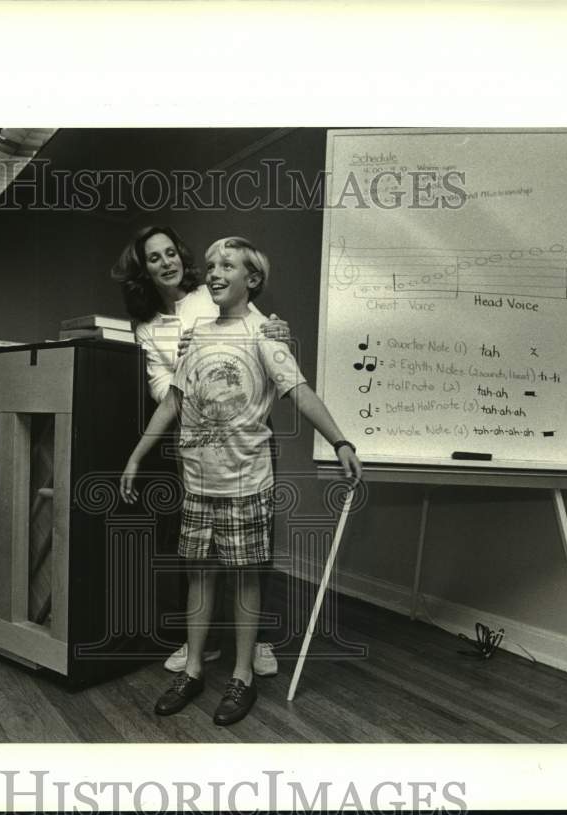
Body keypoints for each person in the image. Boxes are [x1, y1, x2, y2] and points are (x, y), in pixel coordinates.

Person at [119, 236, 362, 726]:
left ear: (251, 279)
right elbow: (173, 402)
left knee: (247, 578)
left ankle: (242, 674)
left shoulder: (265, 335)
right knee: (200, 576)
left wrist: (340, 442)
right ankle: (191, 669)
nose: (212, 272)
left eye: (226, 265)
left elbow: (299, 392)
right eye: (209, 265)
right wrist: (136, 457)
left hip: (245, 483)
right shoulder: (198, 335)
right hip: (197, 480)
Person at [111, 225, 289, 677]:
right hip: (193, 434)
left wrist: (277, 329)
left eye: (171, 253)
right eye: (154, 258)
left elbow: (257, 327)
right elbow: (161, 389)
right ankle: (202, 646)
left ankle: (259, 642)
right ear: (144, 270)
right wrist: (186, 369)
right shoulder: (147, 327)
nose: (166, 262)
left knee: (252, 548)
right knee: (195, 550)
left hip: (245, 433)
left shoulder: (208, 293)